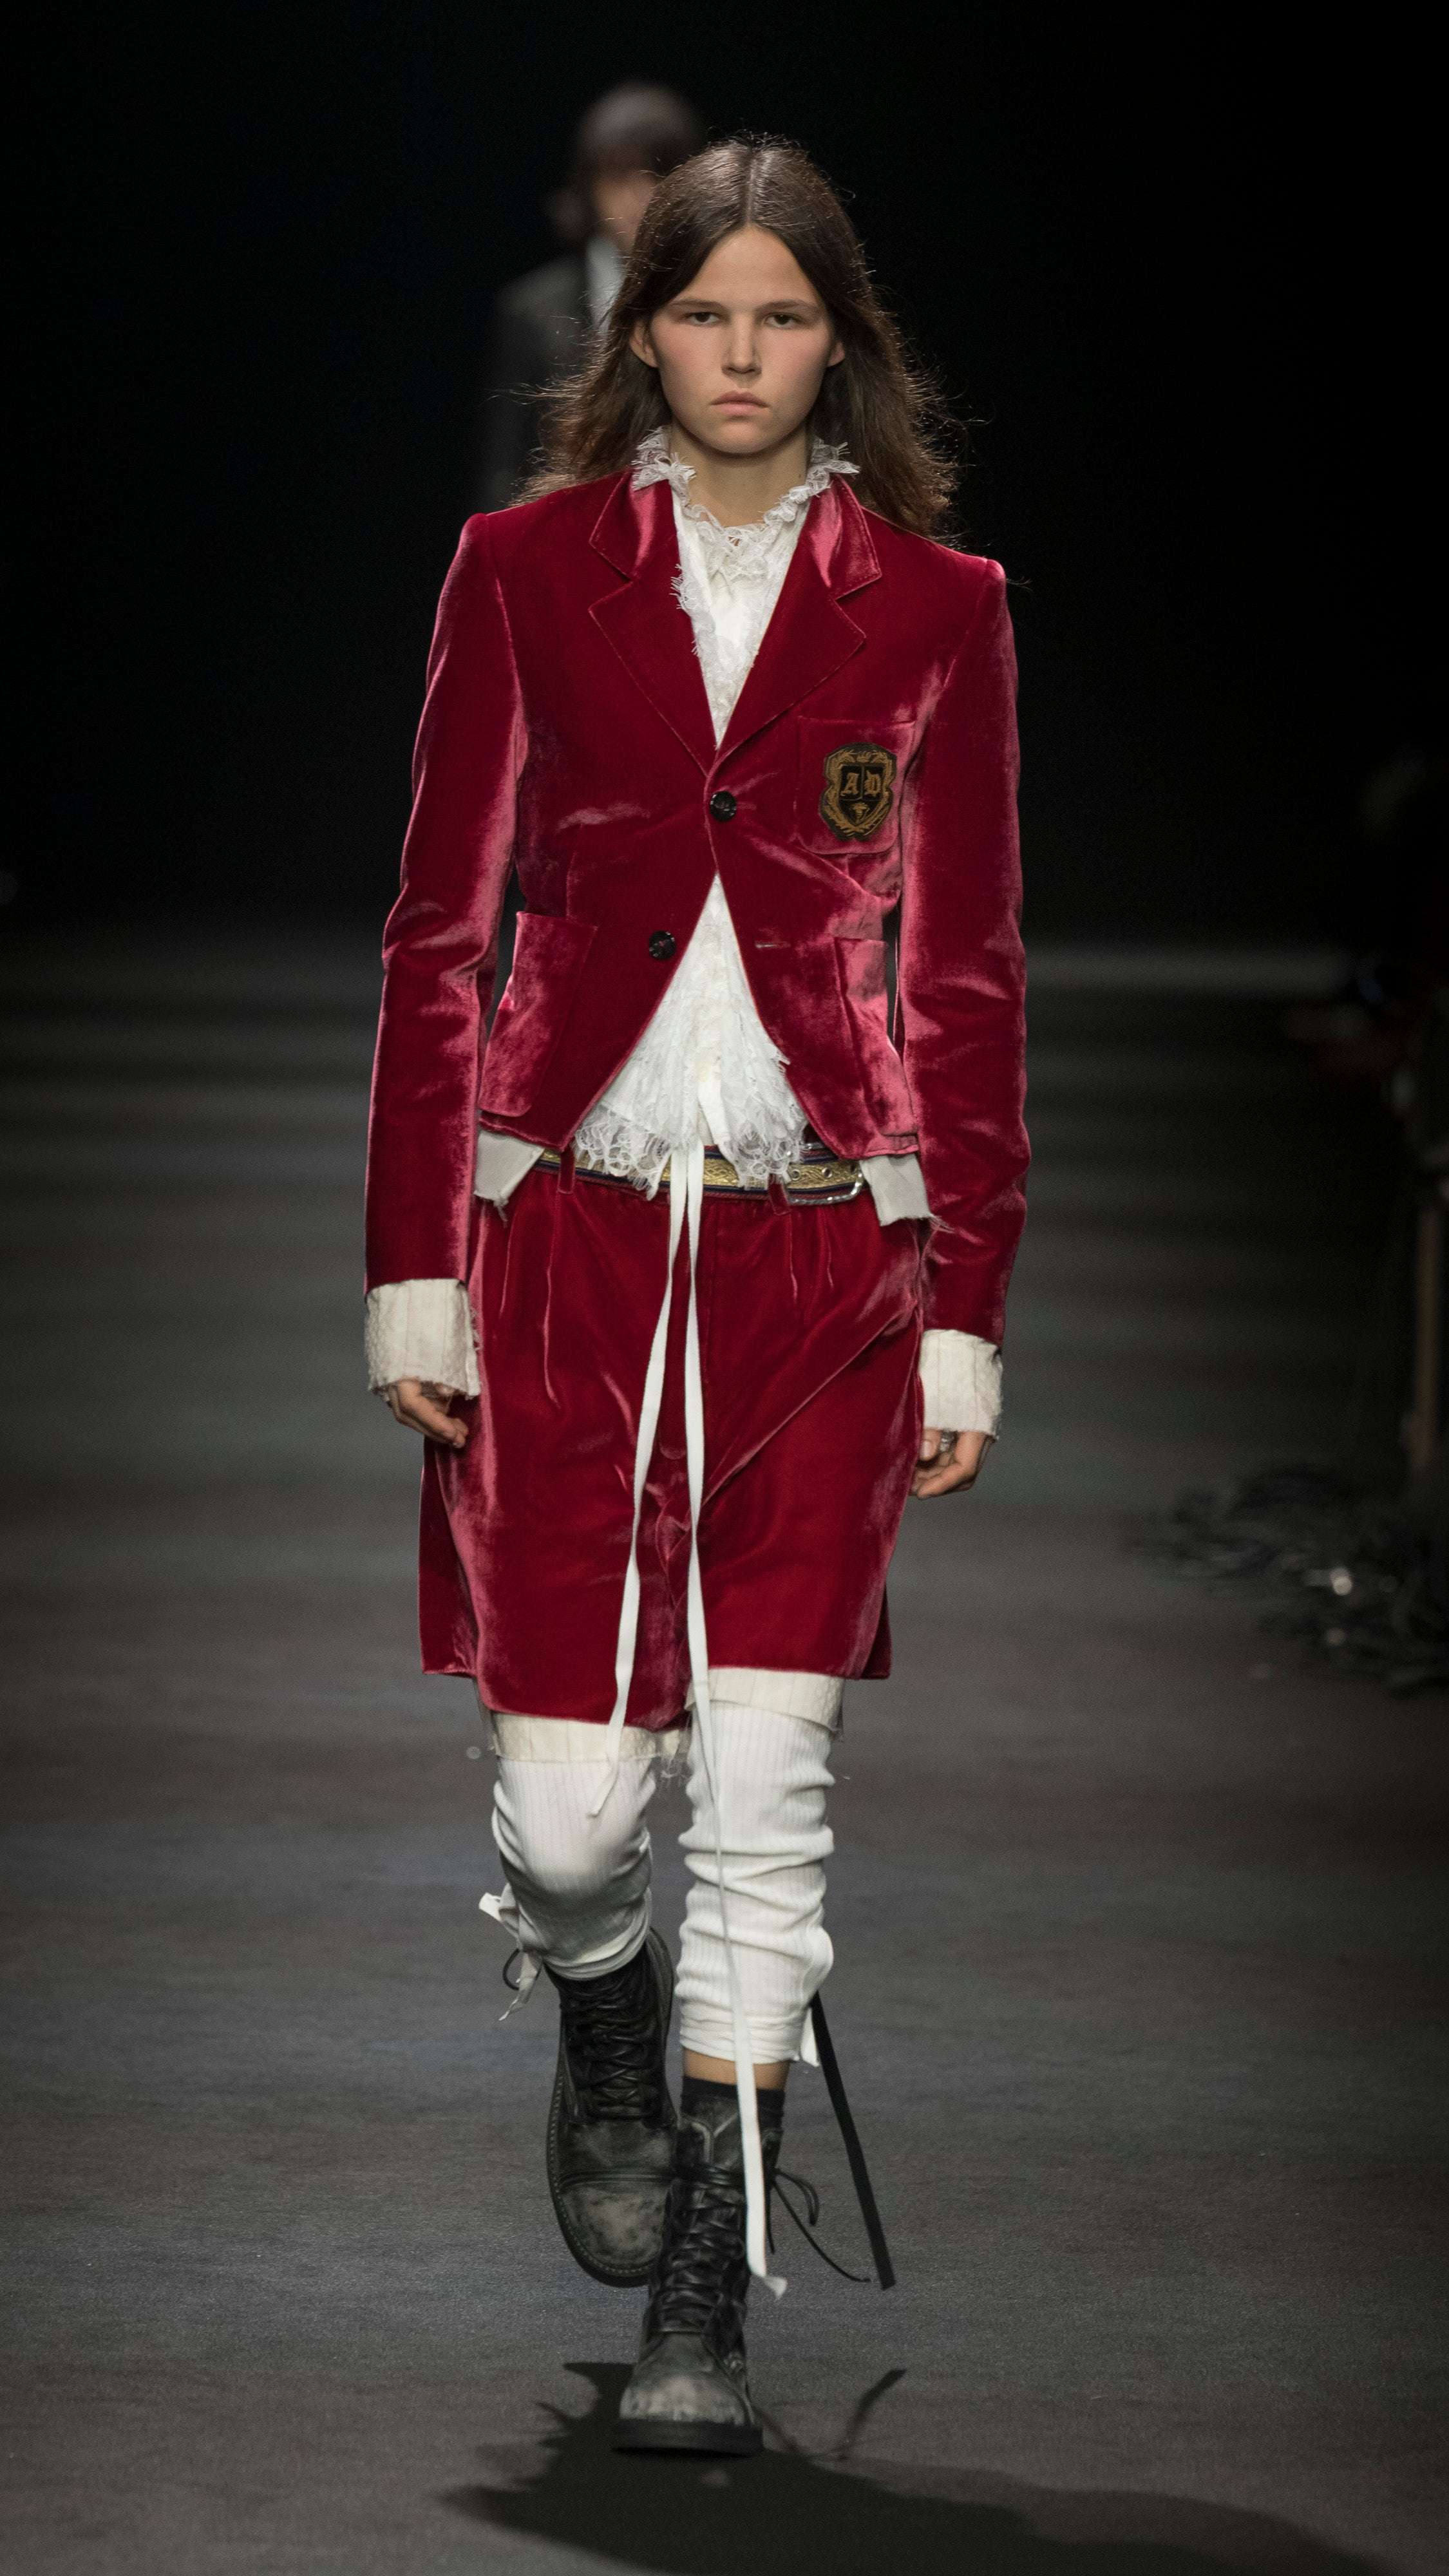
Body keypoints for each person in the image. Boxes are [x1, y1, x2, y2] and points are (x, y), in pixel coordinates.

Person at [366, 135, 1027, 2456]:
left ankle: (700, 2293)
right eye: (705, 312)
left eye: (783, 316)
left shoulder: (936, 606)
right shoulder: (525, 571)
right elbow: (437, 932)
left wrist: (966, 1292)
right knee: (568, 1817)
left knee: (765, 1787)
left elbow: (965, 972)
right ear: (640, 330)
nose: (742, 354)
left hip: (821, 1248)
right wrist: (412, 1265)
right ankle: (602, 2010)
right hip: (563, 1235)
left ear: (838, 342)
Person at [475, 83, 704, 513]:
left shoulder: (717, 296)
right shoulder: (532, 310)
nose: (639, 198)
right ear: (588, 187)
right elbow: (505, 468)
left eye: (657, 175)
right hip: (565, 527)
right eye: (618, 177)